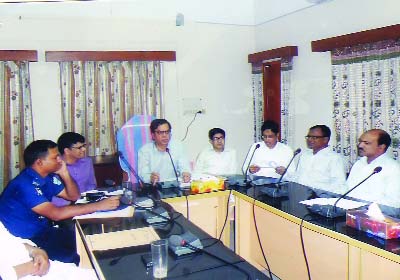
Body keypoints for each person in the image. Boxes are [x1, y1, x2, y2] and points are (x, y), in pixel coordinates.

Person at [0, 140, 120, 265]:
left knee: (90, 244)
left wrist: (64, 173)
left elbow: (73, 196)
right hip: (24, 238)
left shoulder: (48, 176)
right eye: (55, 157)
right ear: (39, 162)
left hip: (43, 230)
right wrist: (98, 206)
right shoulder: (25, 184)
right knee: (78, 258)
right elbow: (56, 214)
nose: (60, 159)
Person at [0, 221, 97, 280]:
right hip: (31, 273)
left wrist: (37, 251)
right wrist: (33, 267)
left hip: (43, 267)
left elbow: (11, 241)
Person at [346, 129, 400, 208]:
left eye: (366, 143)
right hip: (349, 208)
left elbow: (395, 203)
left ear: (381, 147)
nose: (360, 146)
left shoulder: (393, 168)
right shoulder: (359, 163)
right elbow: (347, 189)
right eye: (360, 142)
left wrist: (363, 206)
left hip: (375, 214)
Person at [286, 125, 346, 193]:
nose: (309, 140)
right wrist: (286, 174)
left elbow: (339, 186)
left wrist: (316, 189)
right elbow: (298, 177)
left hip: (320, 197)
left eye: (314, 137)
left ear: (325, 139)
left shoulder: (335, 158)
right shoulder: (304, 155)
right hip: (300, 194)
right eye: (308, 137)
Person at [138, 119, 191, 185]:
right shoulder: (145, 151)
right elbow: (143, 174)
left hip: (174, 187)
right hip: (154, 188)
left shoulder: (178, 146)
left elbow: (184, 166)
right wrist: (150, 178)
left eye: (167, 132)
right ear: (153, 135)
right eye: (160, 132)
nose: (164, 135)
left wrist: (185, 173)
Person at [52, 132, 96, 207]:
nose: (84, 149)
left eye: (84, 146)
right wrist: (70, 204)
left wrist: (87, 200)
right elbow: (51, 196)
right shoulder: (55, 167)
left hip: (86, 202)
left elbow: (91, 184)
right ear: (67, 151)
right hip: (64, 207)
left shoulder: (87, 162)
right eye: (79, 147)